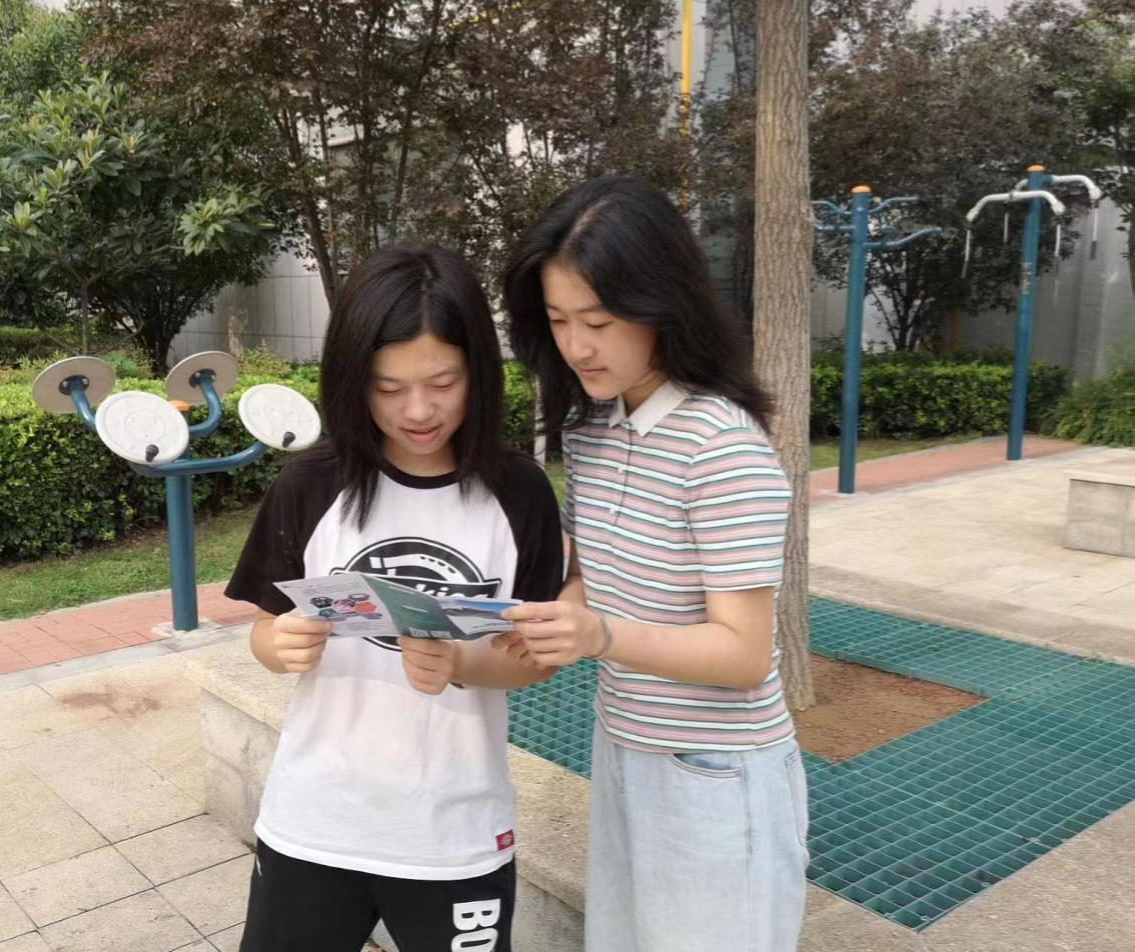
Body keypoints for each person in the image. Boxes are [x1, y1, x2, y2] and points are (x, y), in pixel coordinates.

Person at [499, 176, 808, 952]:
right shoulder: (593, 428)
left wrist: (598, 635)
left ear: (660, 304)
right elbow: (592, 575)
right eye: (559, 320)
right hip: (623, 742)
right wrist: (556, 615)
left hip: (716, 768)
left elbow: (743, 654)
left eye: (599, 321)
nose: (577, 346)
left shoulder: (721, 447)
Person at [226, 245, 563, 952]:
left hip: (455, 833)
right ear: (353, 381)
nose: (418, 410)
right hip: (315, 822)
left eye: (443, 382)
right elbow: (264, 628)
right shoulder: (312, 484)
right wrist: (278, 645)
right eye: (387, 388)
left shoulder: (518, 493)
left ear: (477, 370)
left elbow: (534, 658)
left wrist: (461, 664)